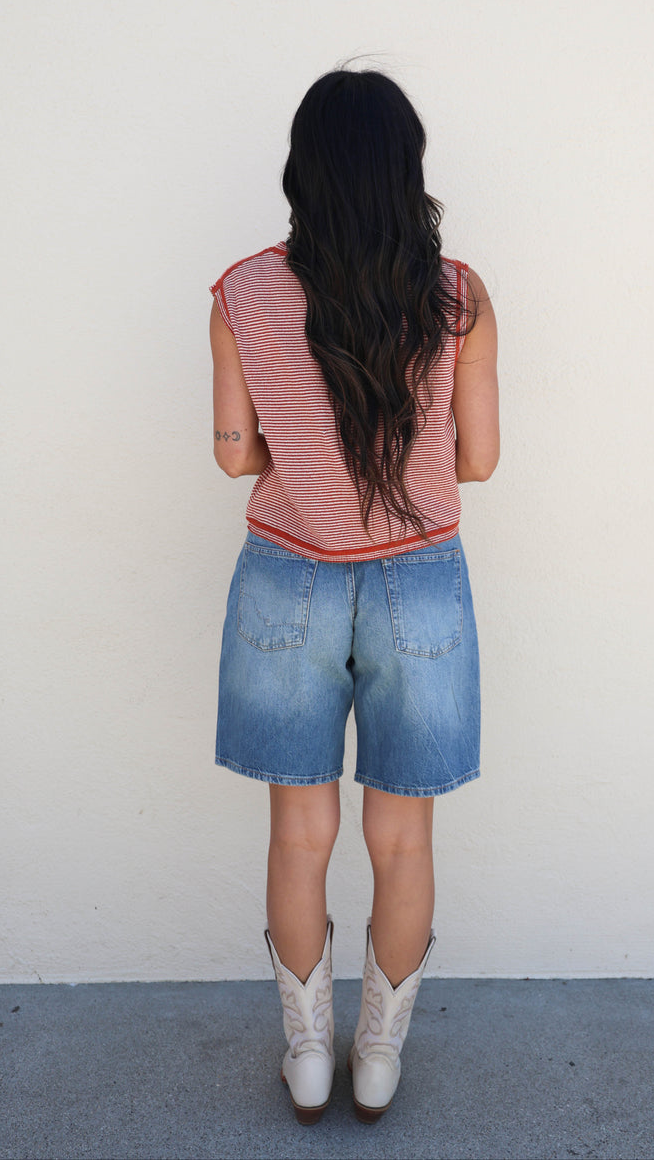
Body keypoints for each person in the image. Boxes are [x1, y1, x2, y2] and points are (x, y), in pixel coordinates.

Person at [209, 68, 499, 1125]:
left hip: (286, 568)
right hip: (417, 580)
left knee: (297, 831)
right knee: (402, 838)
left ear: (304, 169)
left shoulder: (242, 290)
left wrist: (292, 447)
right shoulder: (458, 294)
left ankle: (306, 1053)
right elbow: (482, 461)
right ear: (405, 169)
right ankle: (376, 1055)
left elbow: (235, 456)